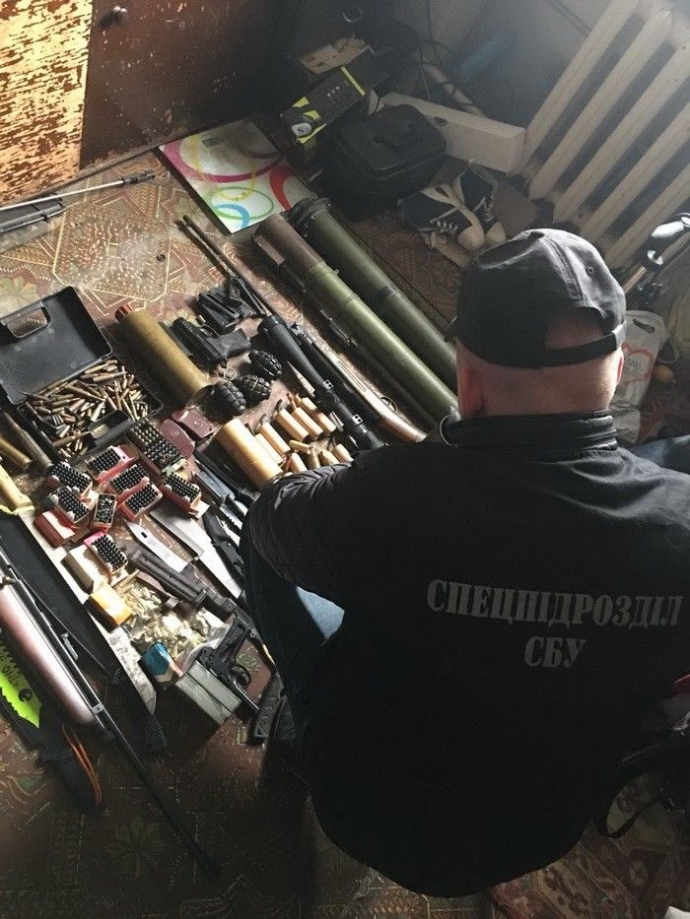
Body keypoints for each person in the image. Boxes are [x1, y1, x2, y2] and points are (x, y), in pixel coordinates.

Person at [240, 228, 690, 896]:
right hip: (535, 832)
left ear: (469, 387)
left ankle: (303, 725)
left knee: (261, 543)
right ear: (622, 369)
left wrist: (435, 460)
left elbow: (273, 516)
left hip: (363, 807)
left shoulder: (396, 497)